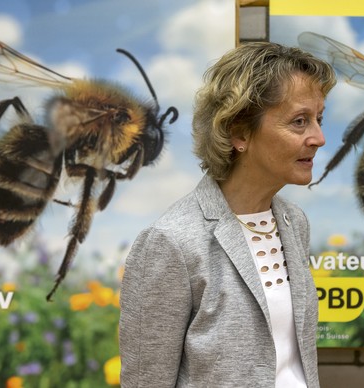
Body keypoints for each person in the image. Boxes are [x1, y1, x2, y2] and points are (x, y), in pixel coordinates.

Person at [120, 41, 336, 388]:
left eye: (318, 119)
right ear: (239, 132)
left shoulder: (294, 223)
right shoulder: (170, 242)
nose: (319, 138)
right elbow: (147, 382)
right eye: (299, 121)